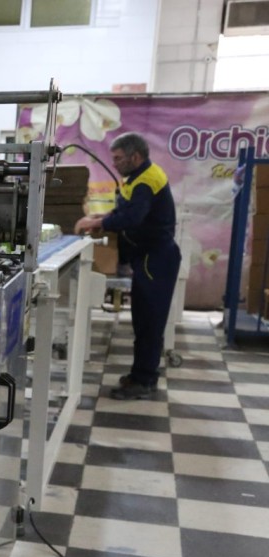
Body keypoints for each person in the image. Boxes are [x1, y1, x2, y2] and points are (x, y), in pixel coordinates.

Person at [75, 132, 179, 400]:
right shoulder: (137, 177)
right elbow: (125, 210)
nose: (115, 163)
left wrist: (96, 223)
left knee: (149, 323)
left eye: (119, 158)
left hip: (156, 259)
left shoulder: (146, 181)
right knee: (143, 321)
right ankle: (141, 374)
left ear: (136, 156)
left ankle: (144, 381)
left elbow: (133, 218)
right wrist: (103, 216)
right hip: (148, 257)